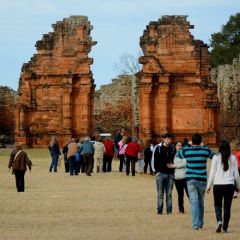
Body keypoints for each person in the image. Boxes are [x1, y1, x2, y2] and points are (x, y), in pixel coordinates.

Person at [176, 133, 214, 230]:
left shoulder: (187, 150)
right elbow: (213, 155)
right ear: (200, 141)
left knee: (194, 202)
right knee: (201, 202)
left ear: (192, 141)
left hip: (191, 178)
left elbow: (178, 154)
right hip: (202, 179)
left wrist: (188, 144)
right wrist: (204, 145)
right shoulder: (205, 150)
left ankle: (195, 225)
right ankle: (200, 223)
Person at [207, 140, 240, 233]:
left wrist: (209, 186)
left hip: (218, 185)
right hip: (229, 185)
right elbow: (236, 174)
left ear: (220, 148)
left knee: (217, 205)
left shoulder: (216, 157)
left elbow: (212, 173)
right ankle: (225, 228)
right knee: (227, 207)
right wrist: (238, 186)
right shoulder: (233, 157)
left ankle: (219, 221)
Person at [152, 133, 175, 215]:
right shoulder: (158, 148)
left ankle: (169, 210)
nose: (169, 140)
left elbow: (174, 159)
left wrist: (173, 168)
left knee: (169, 193)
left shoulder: (172, 148)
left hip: (170, 174)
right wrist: (156, 171)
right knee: (160, 193)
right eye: (168, 139)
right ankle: (160, 210)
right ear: (163, 139)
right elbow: (153, 160)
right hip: (160, 173)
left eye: (170, 139)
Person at [173, 141, 189, 213]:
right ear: (175, 146)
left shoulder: (184, 154)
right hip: (176, 177)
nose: (179, 147)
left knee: (189, 193)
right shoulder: (172, 155)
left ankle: (196, 207)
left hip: (185, 176)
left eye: (180, 145)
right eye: (178, 145)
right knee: (180, 194)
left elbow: (185, 163)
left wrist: (175, 166)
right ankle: (181, 209)